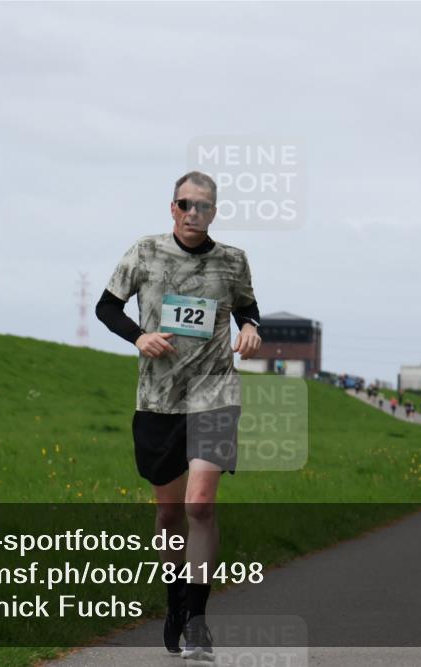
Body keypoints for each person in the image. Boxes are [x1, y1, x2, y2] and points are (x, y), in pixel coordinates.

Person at [95, 171, 262, 658]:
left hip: (214, 393)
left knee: (199, 506)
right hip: (159, 399)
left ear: (214, 211)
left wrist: (250, 329)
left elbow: (249, 310)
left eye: (204, 206)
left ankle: (198, 621)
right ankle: (175, 602)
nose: (194, 213)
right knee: (169, 515)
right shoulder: (144, 253)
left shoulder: (233, 261)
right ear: (172, 208)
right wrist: (138, 336)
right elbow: (107, 307)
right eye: (185, 204)